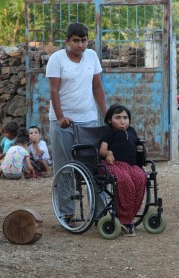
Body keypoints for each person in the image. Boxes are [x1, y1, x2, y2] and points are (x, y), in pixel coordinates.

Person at [46, 22, 106, 219]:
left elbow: (97, 87)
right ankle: (67, 213)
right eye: (76, 41)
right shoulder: (57, 59)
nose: (80, 45)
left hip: (88, 119)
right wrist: (61, 116)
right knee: (65, 166)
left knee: (93, 166)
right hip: (63, 121)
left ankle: (100, 212)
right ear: (67, 41)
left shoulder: (92, 56)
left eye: (84, 41)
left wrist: (106, 114)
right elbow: (54, 90)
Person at [99, 104, 147, 236]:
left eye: (125, 118)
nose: (122, 121)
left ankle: (129, 217)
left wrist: (139, 149)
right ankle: (123, 220)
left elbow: (137, 144)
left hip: (131, 165)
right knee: (125, 181)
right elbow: (102, 150)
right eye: (118, 117)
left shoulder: (131, 131)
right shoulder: (109, 132)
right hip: (113, 164)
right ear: (110, 120)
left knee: (141, 178)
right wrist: (108, 153)